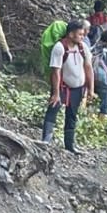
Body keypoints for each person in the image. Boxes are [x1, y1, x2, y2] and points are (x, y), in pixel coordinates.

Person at [42, 19, 94, 150]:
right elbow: (56, 71)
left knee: (72, 115)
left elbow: (88, 68)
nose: (83, 37)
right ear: (71, 34)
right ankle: (46, 141)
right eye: (80, 34)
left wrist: (91, 89)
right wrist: (55, 93)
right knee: (53, 109)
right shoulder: (60, 47)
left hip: (78, 87)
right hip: (62, 86)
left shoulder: (83, 47)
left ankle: (69, 145)